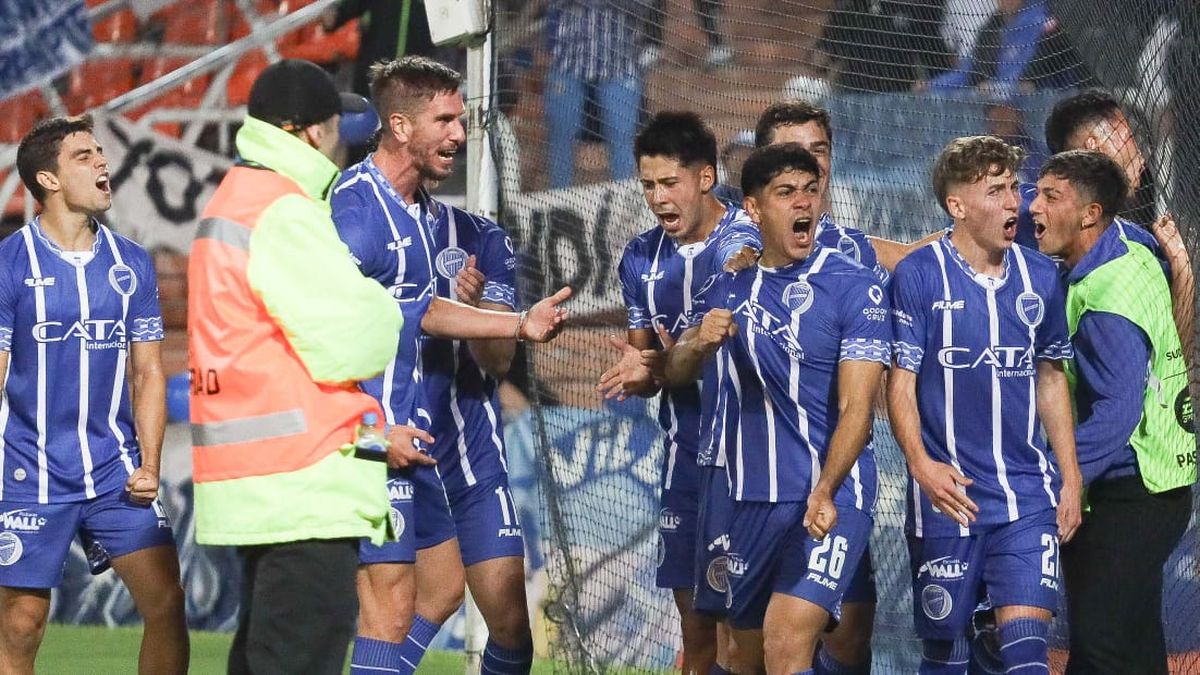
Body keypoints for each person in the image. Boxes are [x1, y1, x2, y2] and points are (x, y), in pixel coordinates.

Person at [330, 56, 570, 675]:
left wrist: (497, 320)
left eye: (461, 119)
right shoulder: (350, 213)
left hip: (448, 449)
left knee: (460, 602)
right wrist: (355, 433)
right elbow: (338, 326)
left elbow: (493, 359)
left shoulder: (471, 233)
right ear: (401, 126)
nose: (460, 134)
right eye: (446, 119)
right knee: (388, 605)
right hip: (372, 441)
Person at [188, 59, 402, 675]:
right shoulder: (281, 210)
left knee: (266, 658)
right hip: (301, 483)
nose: (344, 141)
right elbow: (357, 339)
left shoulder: (239, 199)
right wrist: (381, 303)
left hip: (264, 486)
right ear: (309, 133)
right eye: (338, 125)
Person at [666, 143, 890, 674]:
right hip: (752, 500)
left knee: (788, 644)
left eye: (811, 191)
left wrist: (827, 488)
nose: (803, 204)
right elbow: (674, 373)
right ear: (754, 209)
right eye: (786, 193)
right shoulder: (731, 283)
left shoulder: (854, 285)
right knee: (746, 657)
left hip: (830, 493)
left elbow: (859, 408)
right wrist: (697, 343)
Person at [0, 115, 188, 675]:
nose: (102, 162)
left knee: (167, 603)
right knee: (22, 624)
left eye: (101, 152)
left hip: (114, 471)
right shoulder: (9, 265)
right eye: (83, 156)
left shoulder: (131, 262)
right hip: (28, 472)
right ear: (48, 180)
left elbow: (148, 373)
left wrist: (150, 461)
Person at [887, 135, 1082, 674]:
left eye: (1013, 189)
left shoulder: (1041, 276)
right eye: (995, 191)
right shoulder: (918, 275)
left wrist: (1069, 476)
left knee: (1026, 653)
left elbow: (1050, 378)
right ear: (958, 206)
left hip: (1025, 498)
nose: (1013, 203)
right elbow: (899, 384)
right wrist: (922, 466)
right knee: (947, 660)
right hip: (949, 500)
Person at [598, 110, 759, 674]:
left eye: (670, 183)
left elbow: (690, 351)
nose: (658, 197)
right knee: (695, 633)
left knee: (744, 635)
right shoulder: (640, 258)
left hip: (751, 458)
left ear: (705, 178)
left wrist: (662, 365)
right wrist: (640, 372)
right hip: (686, 453)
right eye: (648, 185)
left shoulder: (741, 242)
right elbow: (650, 363)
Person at [1029, 149, 1195, 674]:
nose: (1035, 206)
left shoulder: (1105, 300)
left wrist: (1062, 478)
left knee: (1098, 646)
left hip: (1132, 490)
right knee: (1134, 639)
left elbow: (1118, 412)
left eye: (1051, 197)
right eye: (1037, 192)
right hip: (1165, 480)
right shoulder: (1129, 243)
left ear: (1089, 214)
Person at [541, 0, 644, 188]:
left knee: (622, 136)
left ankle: (622, 200)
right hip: (568, 63)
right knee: (560, 132)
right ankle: (559, 200)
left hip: (618, 64)